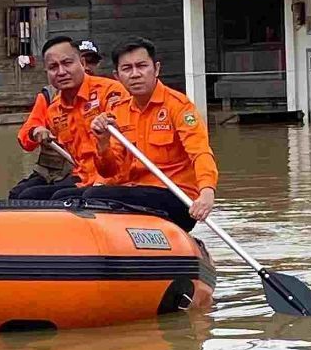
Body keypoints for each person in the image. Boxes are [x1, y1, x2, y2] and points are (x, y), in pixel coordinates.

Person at [93, 38, 218, 222]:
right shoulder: (118, 111)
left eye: (142, 66)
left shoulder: (178, 106)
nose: (135, 74)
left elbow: (200, 152)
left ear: (156, 69)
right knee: (64, 197)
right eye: (127, 69)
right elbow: (109, 172)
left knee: (91, 196)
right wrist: (103, 142)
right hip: (135, 191)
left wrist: (207, 191)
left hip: (175, 195)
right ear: (117, 76)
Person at [17, 34, 126, 185]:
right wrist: (36, 131)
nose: (88, 67)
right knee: (23, 195)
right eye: (54, 67)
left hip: (104, 177)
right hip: (63, 173)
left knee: (60, 196)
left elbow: (121, 150)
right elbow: (25, 138)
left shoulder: (110, 91)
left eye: (92, 62)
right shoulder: (51, 102)